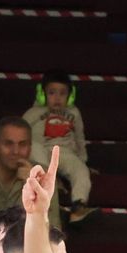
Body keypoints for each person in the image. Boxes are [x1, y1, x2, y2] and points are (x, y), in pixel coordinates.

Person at [24, 71, 93, 223]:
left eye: (62, 93)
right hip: (41, 151)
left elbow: (80, 138)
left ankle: (79, 205)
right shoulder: (33, 113)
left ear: (70, 96)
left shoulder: (74, 113)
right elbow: (19, 131)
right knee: (33, 147)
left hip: (64, 152)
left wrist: (83, 161)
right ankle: (52, 181)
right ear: (42, 95)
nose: (57, 97)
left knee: (80, 171)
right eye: (51, 93)